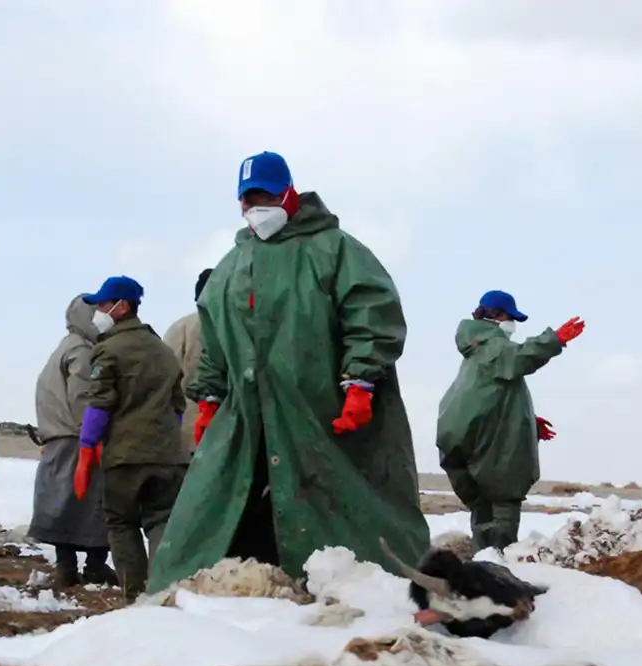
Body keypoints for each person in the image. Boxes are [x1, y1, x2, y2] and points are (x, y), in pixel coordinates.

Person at [146, 151, 429, 594]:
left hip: (324, 413)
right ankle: (203, 602)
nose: (254, 207)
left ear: (289, 192)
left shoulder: (336, 251)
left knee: (346, 507)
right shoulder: (231, 267)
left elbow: (371, 314)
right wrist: (209, 400)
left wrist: (360, 382)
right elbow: (216, 342)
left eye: (264, 195)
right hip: (248, 420)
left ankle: (372, 595)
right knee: (217, 508)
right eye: (247, 199)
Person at [435, 291, 585, 551]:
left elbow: (487, 396)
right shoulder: (491, 345)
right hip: (489, 447)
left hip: (463, 440)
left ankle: (483, 565)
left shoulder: (476, 352)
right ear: (497, 316)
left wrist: (525, 420)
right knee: (503, 505)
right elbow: (519, 358)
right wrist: (555, 339)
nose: (512, 325)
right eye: (510, 317)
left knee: (482, 510)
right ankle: (498, 567)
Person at [73, 276, 190, 602]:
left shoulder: (109, 350)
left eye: (102, 304)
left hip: (126, 457)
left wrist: (86, 450)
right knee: (161, 520)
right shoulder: (164, 351)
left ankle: (135, 596)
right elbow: (178, 407)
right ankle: (166, 590)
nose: (98, 311)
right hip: (168, 456)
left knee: (122, 523)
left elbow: (100, 404)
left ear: (121, 306)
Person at [28, 296, 115, 588]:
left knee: (62, 507)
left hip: (56, 440)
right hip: (77, 441)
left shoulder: (63, 348)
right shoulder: (83, 351)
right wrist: (93, 435)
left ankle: (66, 568)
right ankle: (95, 567)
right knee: (93, 506)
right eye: (100, 310)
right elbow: (82, 398)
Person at [162, 268, 211, 456]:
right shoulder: (234, 325)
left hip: (187, 427)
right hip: (226, 426)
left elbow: (164, 377)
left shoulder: (180, 327)